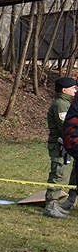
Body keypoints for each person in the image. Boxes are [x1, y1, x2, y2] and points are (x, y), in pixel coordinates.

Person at [43, 76, 76, 218]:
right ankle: (50, 206)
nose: (75, 90)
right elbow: (66, 126)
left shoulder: (68, 103)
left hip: (68, 144)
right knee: (58, 173)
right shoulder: (60, 104)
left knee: (71, 171)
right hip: (59, 146)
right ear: (64, 90)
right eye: (73, 88)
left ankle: (67, 201)